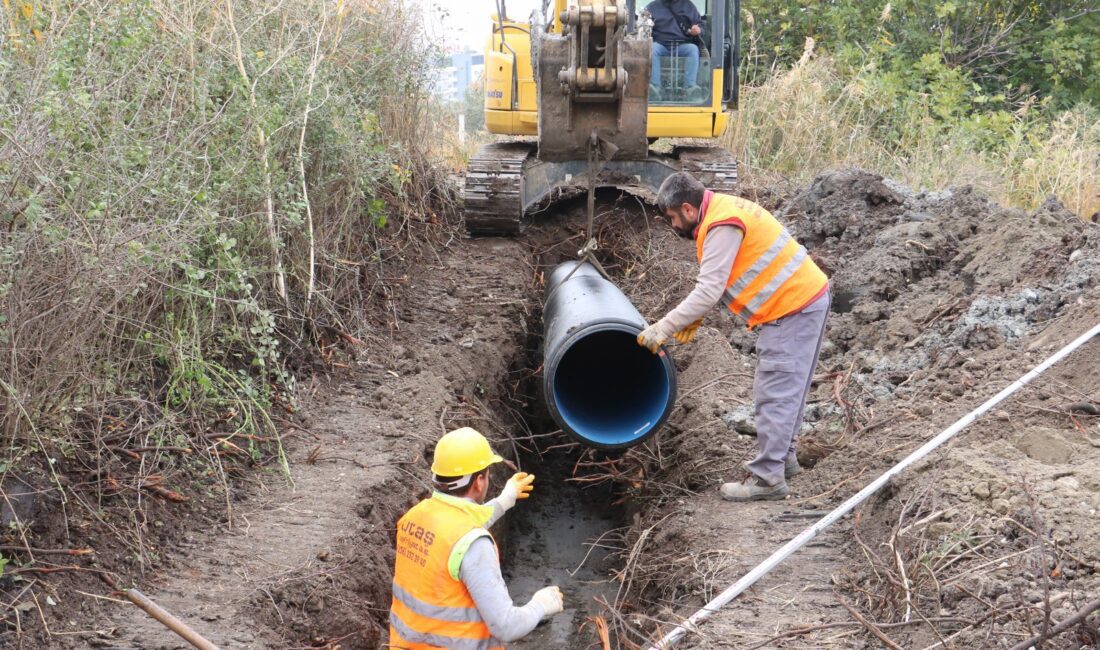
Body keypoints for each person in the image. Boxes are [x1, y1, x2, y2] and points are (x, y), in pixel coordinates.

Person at [637, 173, 831, 502]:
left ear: (687, 209)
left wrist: (663, 328)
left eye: (672, 218)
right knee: (791, 388)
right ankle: (785, 461)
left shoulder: (721, 224)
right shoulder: (725, 209)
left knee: (775, 393)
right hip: (807, 300)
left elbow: (709, 288)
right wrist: (694, 315)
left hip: (789, 308)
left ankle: (768, 479)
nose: (673, 226)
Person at [389, 427, 564, 648]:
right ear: (479, 482)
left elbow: (456, 528)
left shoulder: (414, 517)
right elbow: (506, 627)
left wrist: (505, 500)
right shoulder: (475, 546)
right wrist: (540, 605)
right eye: (488, 475)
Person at [645, 0, 704, 100]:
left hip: (681, 46)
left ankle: (690, 88)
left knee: (693, 49)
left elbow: (701, 26)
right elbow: (642, 25)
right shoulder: (652, 7)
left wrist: (698, 30)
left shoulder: (688, 6)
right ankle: (654, 88)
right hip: (660, 45)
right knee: (652, 48)